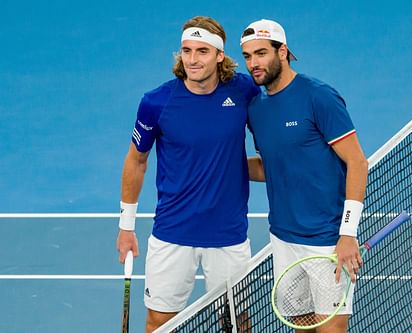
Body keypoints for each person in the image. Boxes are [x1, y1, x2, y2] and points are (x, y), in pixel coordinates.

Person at [116, 16, 260, 332]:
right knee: (160, 322)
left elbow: (273, 140)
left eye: (202, 51)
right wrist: (126, 226)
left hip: (228, 235)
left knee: (236, 323)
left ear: (220, 55)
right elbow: (136, 160)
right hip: (172, 233)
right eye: (186, 50)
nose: (192, 60)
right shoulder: (157, 102)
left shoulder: (243, 92)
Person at [240, 19, 369, 333]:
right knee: (301, 328)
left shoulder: (319, 97)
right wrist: (222, 168)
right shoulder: (256, 109)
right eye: (247, 56)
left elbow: (357, 163)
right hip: (283, 239)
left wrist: (347, 233)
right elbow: (273, 165)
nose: (253, 64)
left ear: (282, 52)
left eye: (260, 53)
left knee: (331, 330)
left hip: (326, 242)